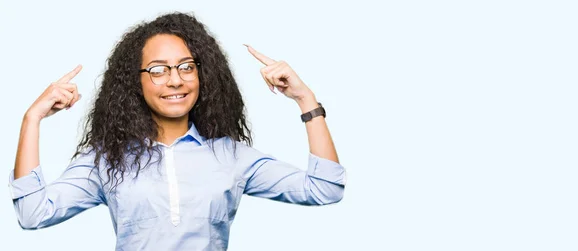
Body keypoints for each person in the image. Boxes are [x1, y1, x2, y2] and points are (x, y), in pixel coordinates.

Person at [9, 12, 346, 250]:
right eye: (157, 70)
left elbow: (324, 188)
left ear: (203, 75)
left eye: (186, 67)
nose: (174, 79)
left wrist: (306, 100)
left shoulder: (230, 156)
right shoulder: (106, 160)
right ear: (135, 82)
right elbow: (33, 213)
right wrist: (32, 119)